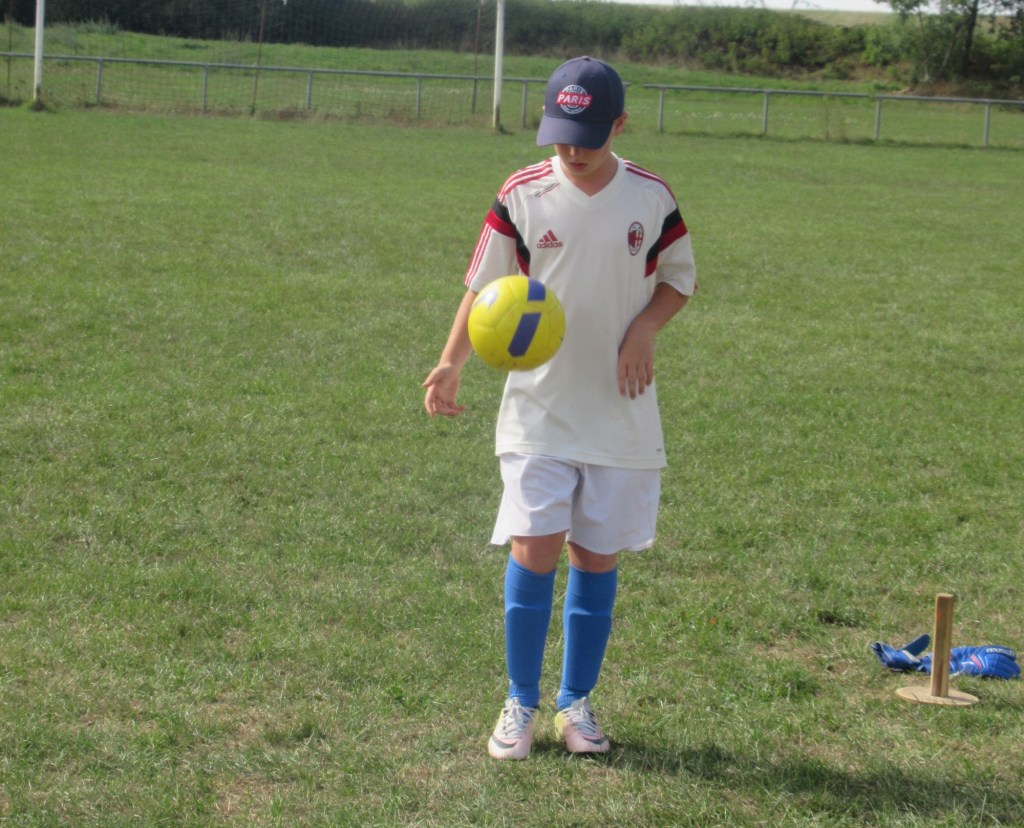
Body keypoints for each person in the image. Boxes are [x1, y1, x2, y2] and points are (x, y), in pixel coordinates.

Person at [422, 56, 697, 760]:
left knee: (595, 557)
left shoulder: (650, 197)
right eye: (561, 137)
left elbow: (678, 278)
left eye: (587, 138)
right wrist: (451, 362)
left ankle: (576, 703)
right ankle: (520, 699)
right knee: (534, 546)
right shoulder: (522, 193)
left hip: (619, 409)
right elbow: (482, 290)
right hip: (537, 409)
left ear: (619, 125)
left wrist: (645, 329)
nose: (572, 151)